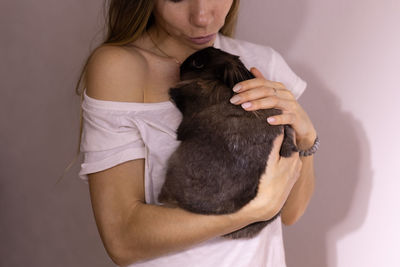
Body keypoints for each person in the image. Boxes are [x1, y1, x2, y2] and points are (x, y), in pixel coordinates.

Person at [76, 0, 317, 266]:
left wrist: (306, 140)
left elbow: (291, 213)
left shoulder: (263, 62)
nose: (202, 17)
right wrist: (251, 211)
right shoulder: (120, 67)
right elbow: (122, 241)